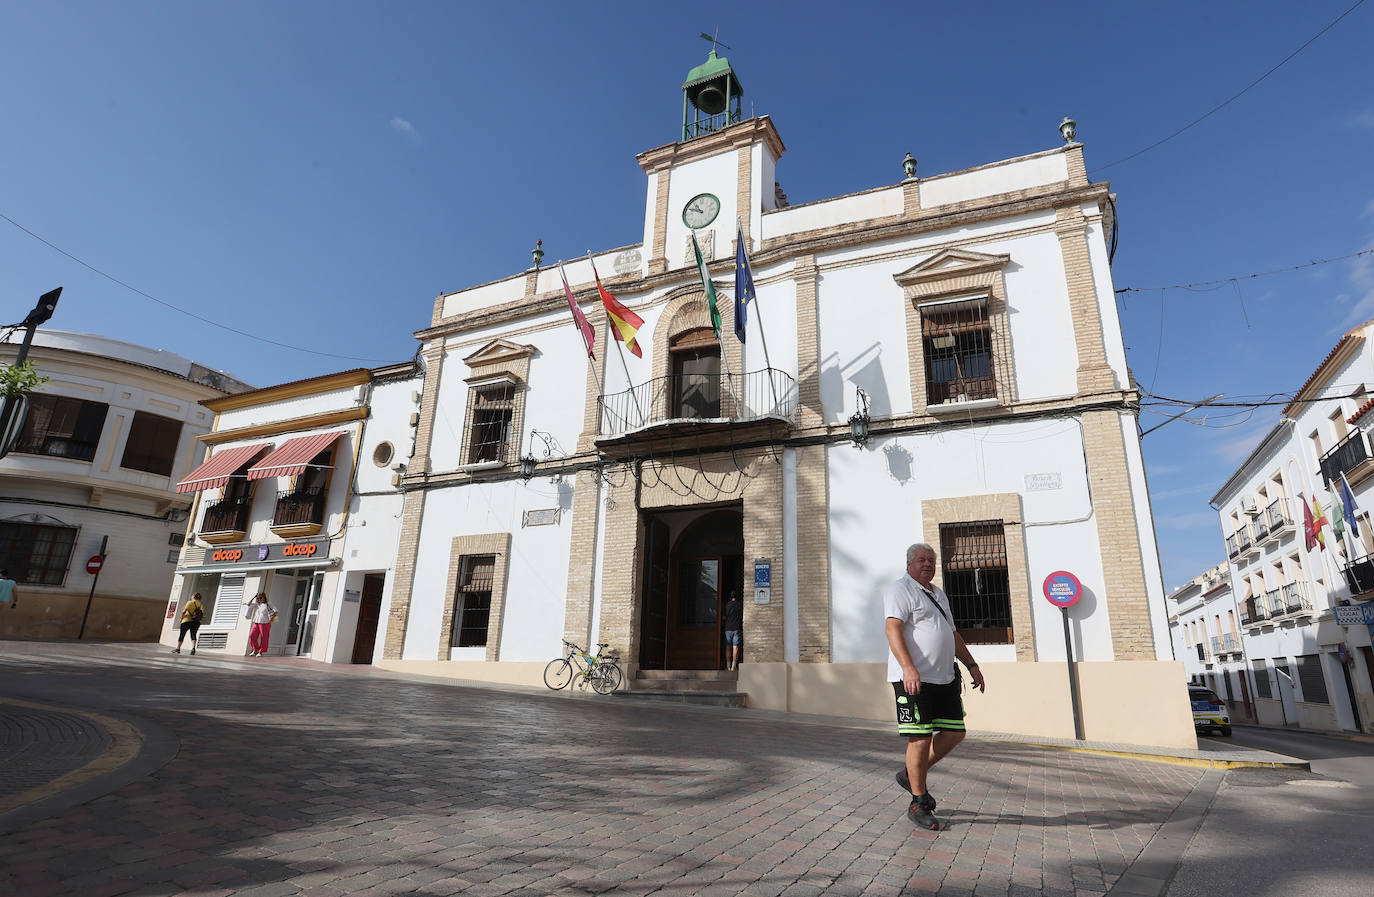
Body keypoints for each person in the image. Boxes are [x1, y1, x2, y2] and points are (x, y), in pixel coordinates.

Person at [884, 543, 986, 831]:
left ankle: (911, 774)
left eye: (931, 560)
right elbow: (892, 628)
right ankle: (918, 801)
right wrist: (908, 668)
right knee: (920, 738)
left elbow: (951, 633)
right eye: (921, 560)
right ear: (909, 564)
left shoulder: (937, 593)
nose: (927, 564)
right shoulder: (900, 590)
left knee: (955, 732)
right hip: (914, 679)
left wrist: (972, 665)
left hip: (945, 677)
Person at [244, 592, 278, 656]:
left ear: (264, 597)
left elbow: (275, 611)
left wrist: (272, 617)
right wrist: (254, 597)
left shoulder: (268, 603)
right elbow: (248, 604)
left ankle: (261, 651)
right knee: (252, 635)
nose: (259, 599)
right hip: (256, 622)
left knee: (264, 637)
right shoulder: (257, 604)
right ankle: (255, 649)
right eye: (258, 598)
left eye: (260, 598)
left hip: (265, 622)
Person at [723, 590, 743, 671]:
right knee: (735, 647)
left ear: (730, 597)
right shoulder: (740, 605)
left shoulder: (727, 605)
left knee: (728, 647)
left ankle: (728, 666)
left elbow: (724, 617)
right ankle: (733, 666)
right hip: (737, 628)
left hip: (728, 628)